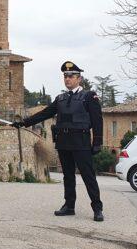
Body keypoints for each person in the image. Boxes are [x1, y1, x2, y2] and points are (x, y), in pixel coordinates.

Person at [12, 61, 104, 221]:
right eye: (65, 76)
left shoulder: (89, 96)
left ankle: (97, 208)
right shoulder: (60, 98)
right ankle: (69, 206)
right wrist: (23, 123)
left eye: (71, 76)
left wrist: (97, 142)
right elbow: (45, 113)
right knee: (68, 176)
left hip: (81, 142)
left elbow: (97, 120)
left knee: (88, 175)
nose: (67, 79)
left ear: (79, 78)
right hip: (64, 142)